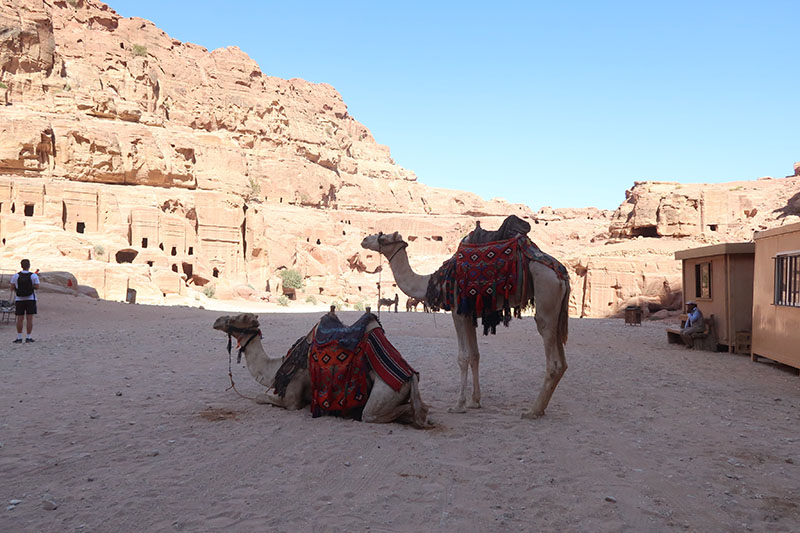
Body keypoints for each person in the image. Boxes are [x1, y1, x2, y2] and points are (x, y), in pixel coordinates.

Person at [10, 259, 40, 344]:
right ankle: (28, 337)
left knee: (20, 318)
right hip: (31, 298)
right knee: (29, 318)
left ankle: (19, 337)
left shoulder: (16, 276)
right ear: (29, 266)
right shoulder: (33, 276)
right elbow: (37, 286)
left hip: (19, 299)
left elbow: (12, 287)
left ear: (21, 266)